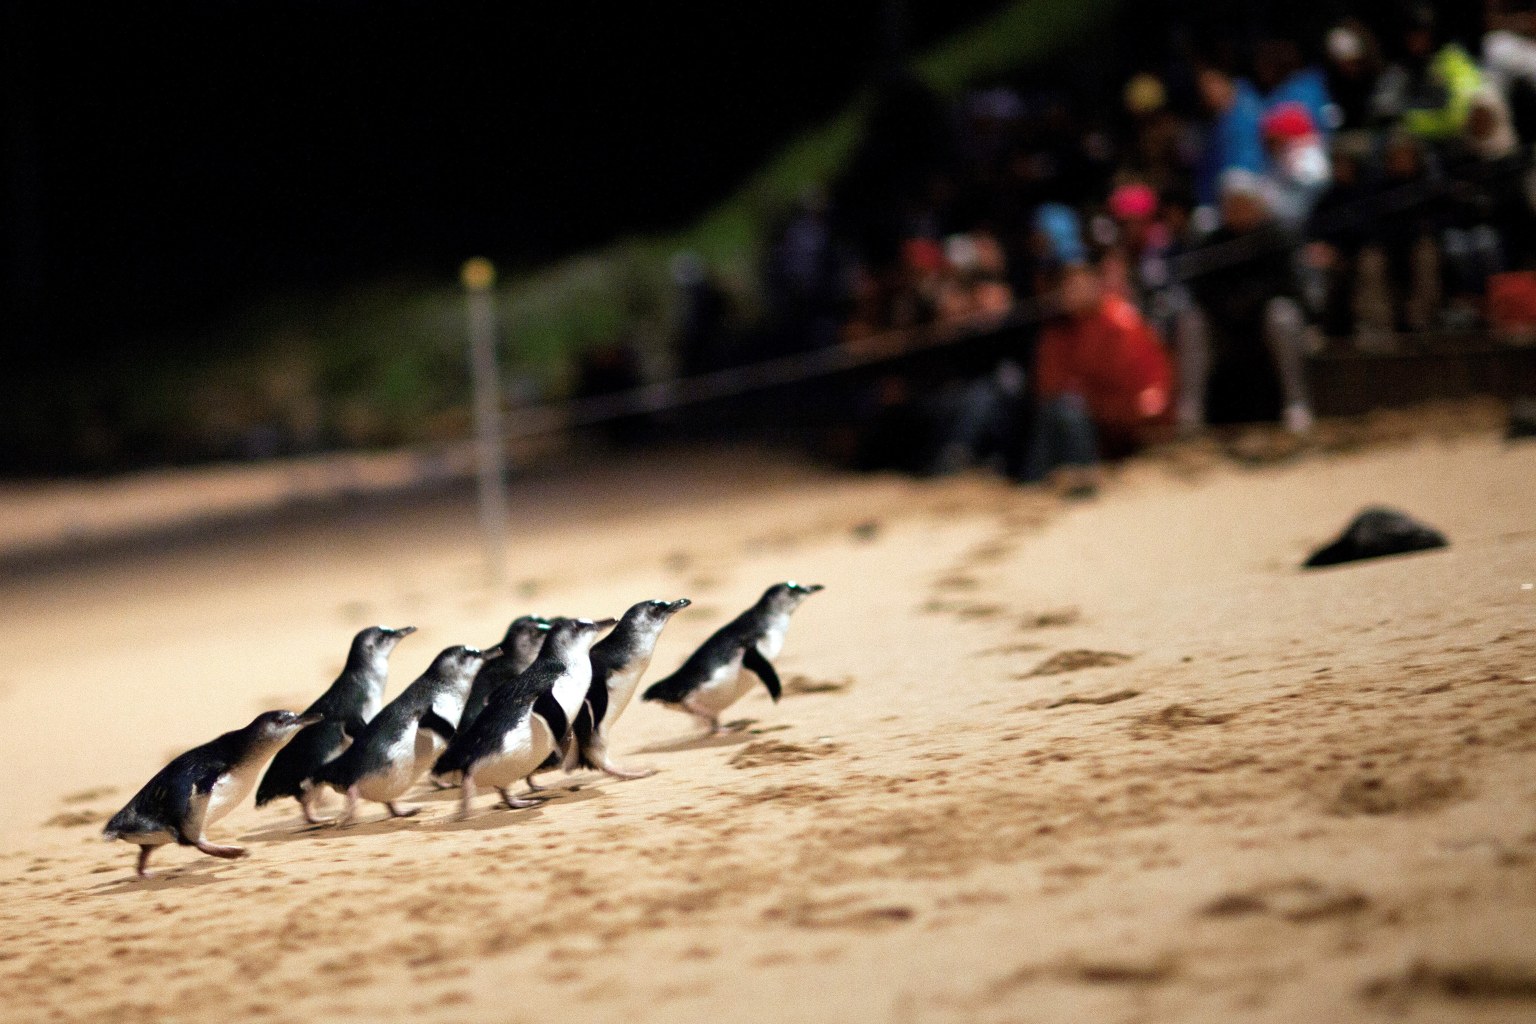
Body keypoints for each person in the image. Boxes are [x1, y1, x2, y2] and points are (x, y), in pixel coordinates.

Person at [1174, 169, 1314, 434]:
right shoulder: (1211, 241)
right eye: (1231, 205)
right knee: (1190, 320)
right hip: (1224, 325)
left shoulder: (1276, 236)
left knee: (1283, 314)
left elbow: (1291, 286)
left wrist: (1253, 300)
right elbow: (1200, 289)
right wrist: (1228, 306)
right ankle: (1190, 413)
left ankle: (1297, 404)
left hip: (1265, 321)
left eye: (1243, 204)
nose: (1237, 211)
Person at [1025, 261, 1173, 492]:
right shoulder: (1058, 330)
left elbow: (1144, 379)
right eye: (1069, 288)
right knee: (1057, 410)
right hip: (1089, 415)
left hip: (1124, 414)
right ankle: (1036, 483)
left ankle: (1084, 479)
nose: (1074, 294)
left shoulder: (1119, 320)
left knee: (1069, 409)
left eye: (1080, 286)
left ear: (1096, 285)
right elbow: (1048, 385)